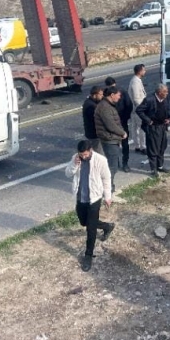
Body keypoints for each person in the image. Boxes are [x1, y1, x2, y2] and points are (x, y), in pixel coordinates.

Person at [65, 140, 114, 272]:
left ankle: (88, 255)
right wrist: (75, 165)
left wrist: (107, 196)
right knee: (84, 222)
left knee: (90, 229)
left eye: (86, 154)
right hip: (81, 197)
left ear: (91, 150)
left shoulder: (100, 160)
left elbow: (106, 178)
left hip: (94, 198)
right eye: (82, 155)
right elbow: (68, 173)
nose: (84, 157)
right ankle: (107, 226)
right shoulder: (76, 158)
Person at [94, 86, 127, 192]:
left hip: (111, 138)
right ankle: (108, 188)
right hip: (109, 139)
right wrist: (122, 133)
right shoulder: (105, 107)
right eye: (118, 95)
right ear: (112, 95)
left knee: (112, 165)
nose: (119, 97)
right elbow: (111, 125)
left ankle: (108, 186)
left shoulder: (107, 105)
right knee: (112, 166)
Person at [135, 84, 170, 177]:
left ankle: (160, 166)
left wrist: (169, 119)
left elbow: (168, 110)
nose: (167, 93)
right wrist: (148, 121)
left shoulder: (165, 99)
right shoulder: (149, 100)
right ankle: (153, 169)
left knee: (162, 147)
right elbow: (139, 110)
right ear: (159, 92)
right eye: (165, 92)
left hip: (163, 126)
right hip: (153, 128)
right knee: (153, 148)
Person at [105, 77, 134, 172]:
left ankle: (123, 163)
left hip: (120, 121)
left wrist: (124, 118)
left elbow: (129, 105)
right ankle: (120, 163)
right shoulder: (105, 94)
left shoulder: (121, 92)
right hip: (115, 122)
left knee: (122, 143)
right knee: (116, 144)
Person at [128, 64, 148, 156]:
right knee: (141, 128)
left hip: (135, 109)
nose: (145, 72)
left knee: (135, 128)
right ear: (140, 71)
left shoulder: (136, 80)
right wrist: (142, 109)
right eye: (144, 70)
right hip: (138, 110)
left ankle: (137, 145)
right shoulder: (135, 82)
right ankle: (142, 146)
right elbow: (136, 98)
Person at [82, 86, 104, 155]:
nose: (102, 96)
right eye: (100, 94)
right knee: (99, 154)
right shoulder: (91, 106)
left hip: (92, 133)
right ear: (95, 95)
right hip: (94, 134)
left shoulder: (89, 102)